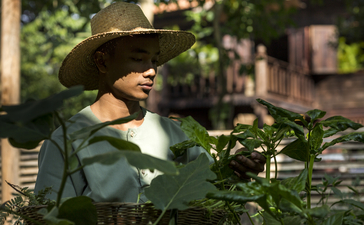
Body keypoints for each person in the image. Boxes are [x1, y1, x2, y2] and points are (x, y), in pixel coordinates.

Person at [34, 1, 266, 203]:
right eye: (137, 59)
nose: (151, 71)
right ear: (102, 62)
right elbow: (49, 216)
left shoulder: (176, 134)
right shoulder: (66, 142)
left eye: (155, 61)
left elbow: (211, 194)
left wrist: (239, 172)